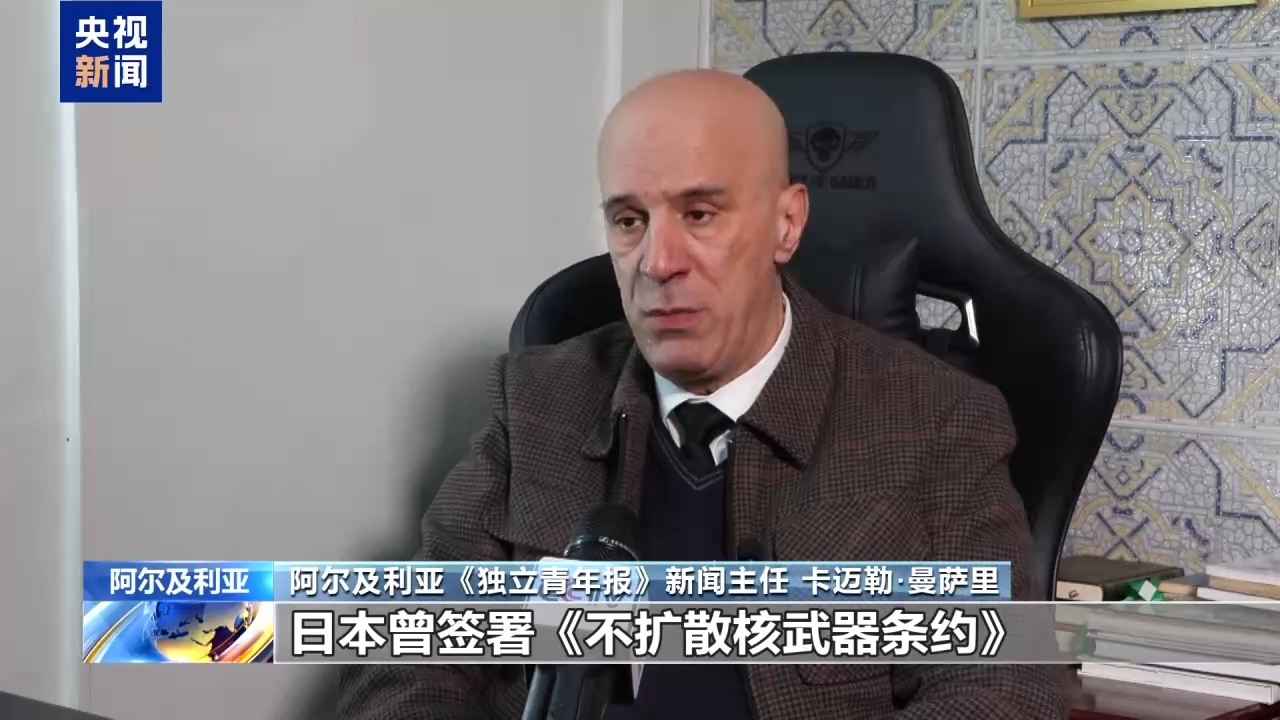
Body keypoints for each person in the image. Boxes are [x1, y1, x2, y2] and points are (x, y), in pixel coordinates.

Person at [337, 69, 1070, 720]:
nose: (657, 262)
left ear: (786, 223)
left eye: (700, 214)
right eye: (629, 221)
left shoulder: (937, 420)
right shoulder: (533, 400)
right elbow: (403, 660)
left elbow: (1004, 689)